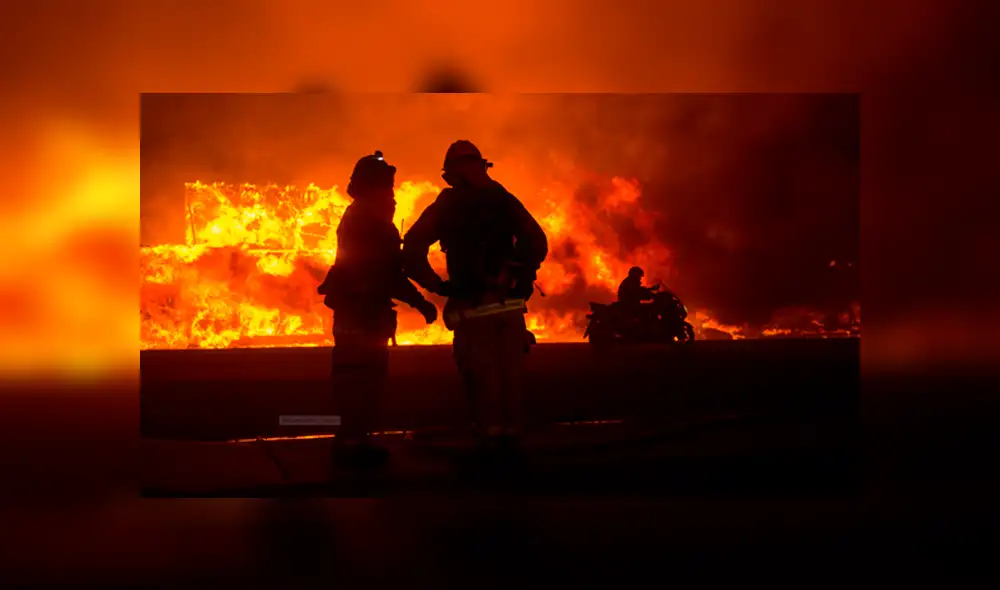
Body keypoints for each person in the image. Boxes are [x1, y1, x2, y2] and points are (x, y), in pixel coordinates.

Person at [402, 140, 548, 454]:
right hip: (509, 309)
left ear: (452, 174)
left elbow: (412, 249)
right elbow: (537, 241)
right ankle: (513, 452)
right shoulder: (503, 199)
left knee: (482, 379)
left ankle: (489, 452)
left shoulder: (449, 205)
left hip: (472, 309)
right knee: (511, 379)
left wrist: (439, 286)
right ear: (482, 166)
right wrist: (521, 275)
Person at [318, 150, 438, 467]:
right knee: (362, 380)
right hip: (364, 316)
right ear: (374, 187)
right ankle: (353, 446)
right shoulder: (371, 222)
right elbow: (389, 272)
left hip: (356, 314)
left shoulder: (361, 217)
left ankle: (353, 441)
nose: (393, 193)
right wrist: (421, 300)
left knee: (356, 380)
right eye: (388, 186)